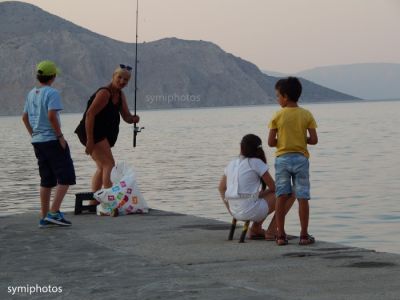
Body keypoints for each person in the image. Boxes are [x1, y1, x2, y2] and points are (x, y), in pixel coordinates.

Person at [22, 60, 76, 228]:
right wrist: (59, 136)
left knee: (46, 180)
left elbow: (24, 117)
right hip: (52, 140)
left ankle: (44, 216)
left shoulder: (31, 93)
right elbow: (52, 116)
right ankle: (53, 213)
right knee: (66, 176)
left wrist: (34, 135)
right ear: (52, 76)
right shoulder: (52, 93)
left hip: (38, 142)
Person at [75, 64, 140, 202]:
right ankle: (109, 200)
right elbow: (90, 115)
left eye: (126, 80)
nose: (122, 81)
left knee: (101, 167)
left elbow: (126, 117)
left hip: (102, 134)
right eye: (120, 77)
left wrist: (134, 119)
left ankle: (95, 201)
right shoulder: (105, 93)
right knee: (109, 164)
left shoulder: (120, 95)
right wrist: (90, 140)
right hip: (91, 132)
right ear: (113, 76)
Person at [268, 77, 318, 246]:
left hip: (282, 159)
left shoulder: (277, 115)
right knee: (302, 197)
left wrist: (283, 141)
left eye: (277, 96)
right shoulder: (306, 114)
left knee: (281, 196)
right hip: (301, 159)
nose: (277, 99)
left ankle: (280, 235)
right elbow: (313, 140)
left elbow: (270, 142)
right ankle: (304, 235)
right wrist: (300, 139)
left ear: (285, 96)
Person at [218, 134, 295, 240]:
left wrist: (230, 209)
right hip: (250, 211)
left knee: (264, 195)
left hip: (235, 211)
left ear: (241, 147)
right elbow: (274, 188)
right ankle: (272, 230)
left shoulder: (232, 163)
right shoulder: (256, 162)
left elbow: (221, 188)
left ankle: (256, 229)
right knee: (290, 192)